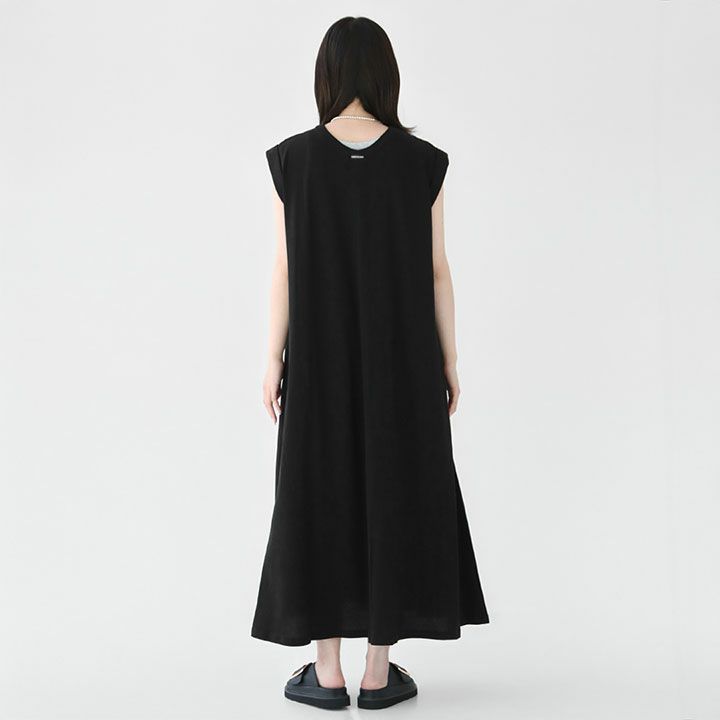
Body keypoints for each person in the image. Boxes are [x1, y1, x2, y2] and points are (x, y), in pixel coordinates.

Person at [251, 16, 490, 710]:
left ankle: (326, 673)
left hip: (317, 361)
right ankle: (379, 672)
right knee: (395, 488)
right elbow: (437, 270)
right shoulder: (422, 163)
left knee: (317, 490)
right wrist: (449, 359)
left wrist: (272, 358)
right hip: (403, 362)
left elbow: (284, 269)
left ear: (325, 76)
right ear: (387, 75)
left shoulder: (292, 160)